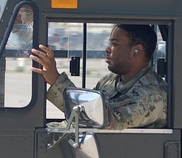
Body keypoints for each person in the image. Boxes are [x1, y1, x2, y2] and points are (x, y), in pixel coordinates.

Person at [30, 24, 167, 129]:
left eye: (115, 44)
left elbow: (101, 120)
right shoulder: (110, 81)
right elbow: (83, 113)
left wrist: (55, 79)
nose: (107, 49)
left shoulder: (152, 95)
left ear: (137, 50)